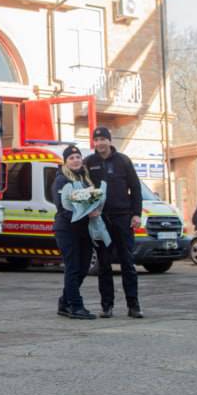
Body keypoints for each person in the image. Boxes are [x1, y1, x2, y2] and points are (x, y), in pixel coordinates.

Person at [84, 126, 145, 318]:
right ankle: (107, 306)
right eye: (97, 139)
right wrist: (89, 210)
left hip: (122, 218)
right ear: (94, 142)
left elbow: (135, 189)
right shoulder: (89, 162)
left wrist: (136, 214)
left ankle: (133, 306)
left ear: (110, 141)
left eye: (104, 139)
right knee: (104, 263)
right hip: (100, 220)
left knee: (127, 262)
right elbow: (84, 190)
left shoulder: (123, 161)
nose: (100, 142)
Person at [50, 145, 97, 320]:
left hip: (83, 230)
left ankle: (64, 302)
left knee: (83, 267)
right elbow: (63, 208)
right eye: (71, 158)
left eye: (78, 157)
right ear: (65, 162)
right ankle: (76, 306)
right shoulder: (61, 180)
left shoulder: (85, 179)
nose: (76, 160)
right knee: (73, 267)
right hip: (67, 229)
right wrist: (86, 213)